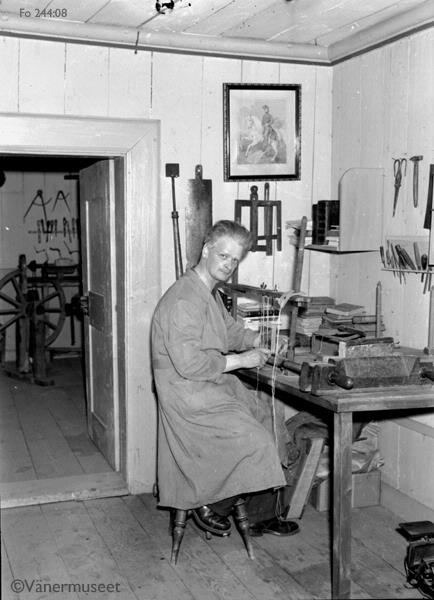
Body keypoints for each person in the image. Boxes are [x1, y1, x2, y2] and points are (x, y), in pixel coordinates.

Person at [151, 220, 299, 536]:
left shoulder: (207, 292)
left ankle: (260, 515)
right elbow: (189, 364)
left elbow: (228, 332)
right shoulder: (185, 299)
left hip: (206, 386)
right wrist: (242, 360)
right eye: (223, 256)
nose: (229, 265)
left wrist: (259, 340)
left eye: (235, 259)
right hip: (188, 397)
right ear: (206, 249)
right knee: (256, 440)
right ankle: (209, 503)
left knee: (268, 413)